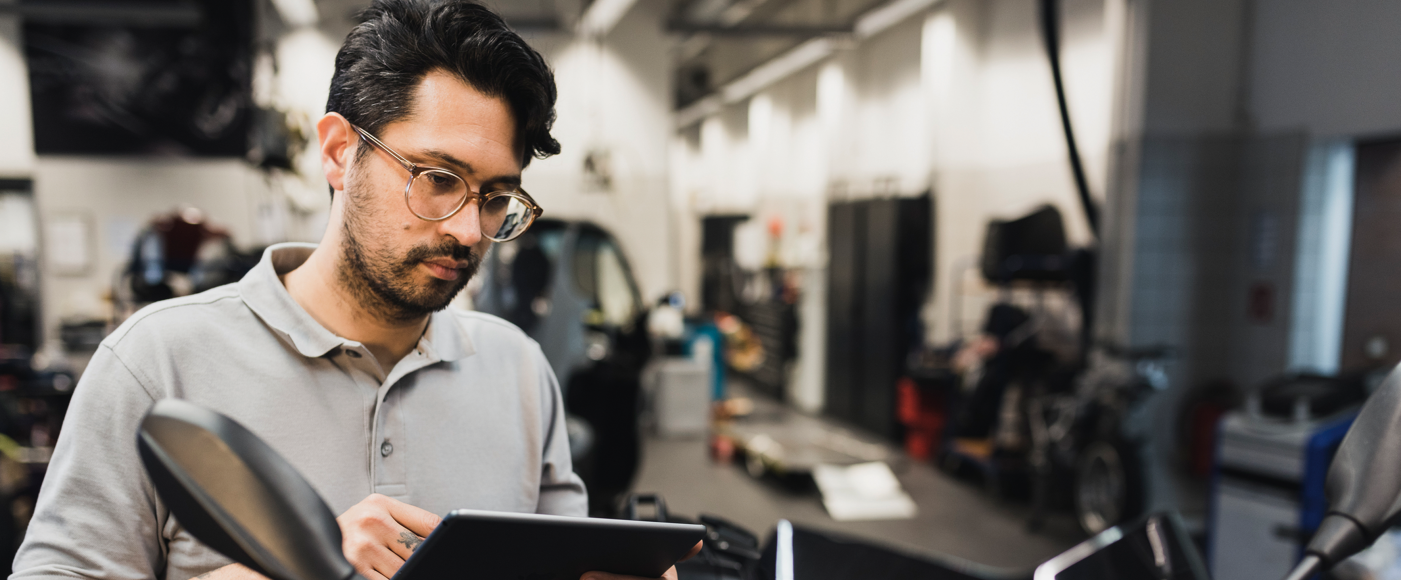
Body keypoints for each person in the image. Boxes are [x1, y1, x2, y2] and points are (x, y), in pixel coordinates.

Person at [9, 2, 696, 580]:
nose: (466, 229)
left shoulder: (516, 369)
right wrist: (298, 563)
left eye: (495, 196)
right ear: (340, 152)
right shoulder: (157, 360)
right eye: (436, 178)